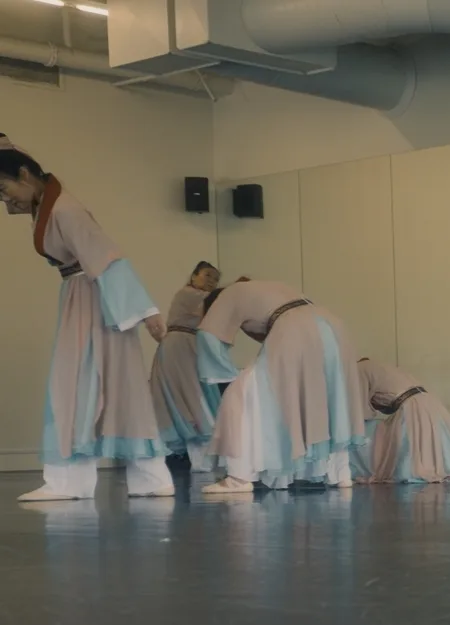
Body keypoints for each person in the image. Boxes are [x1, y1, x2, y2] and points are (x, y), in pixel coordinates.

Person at [1, 136, 173, 501]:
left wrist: (146, 311)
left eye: (4, 189)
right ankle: (144, 478)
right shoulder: (51, 203)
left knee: (78, 385)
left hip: (95, 296)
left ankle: (77, 480)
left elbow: (107, 256)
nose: (5, 200)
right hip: (85, 296)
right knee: (98, 384)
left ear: (23, 175)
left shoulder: (64, 209)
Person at [199, 280, 372, 494]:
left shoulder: (228, 294)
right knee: (324, 398)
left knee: (240, 396)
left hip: (296, 328)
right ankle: (340, 473)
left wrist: (223, 375)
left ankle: (239, 477)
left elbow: (207, 334)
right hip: (331, 325)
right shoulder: (267, 289)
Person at [353, 357, 450, 483]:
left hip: (411, 407)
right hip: (428, 400)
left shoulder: (358, 370)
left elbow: (360, 408)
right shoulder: (381, 366)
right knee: (441, 444)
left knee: (413, 449)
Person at [150, 261, 229, 473]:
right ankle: (192, 444)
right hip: (180, 347)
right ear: (193, 276)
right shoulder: (189, 294)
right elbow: (218, 302)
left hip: (188, 347)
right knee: (189, 393)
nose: (211, 281)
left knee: (193, 392)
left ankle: (192, 450)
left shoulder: (200, 300)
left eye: (215, 278)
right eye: (207, 275)